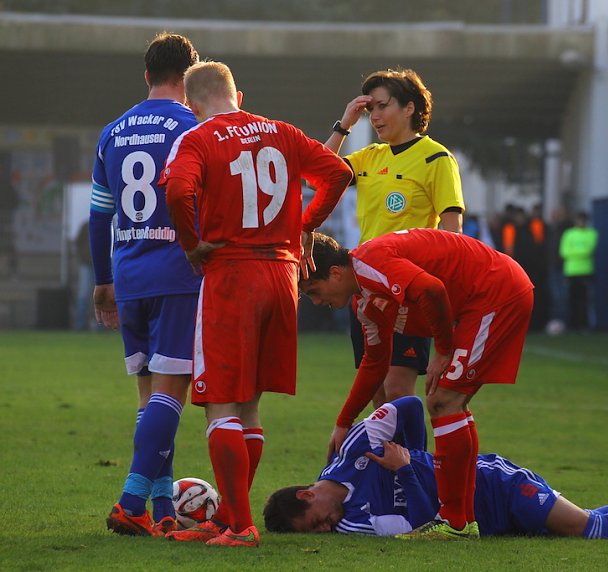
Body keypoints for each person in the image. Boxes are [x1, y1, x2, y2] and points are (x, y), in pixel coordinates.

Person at [159, 61, 352, 547]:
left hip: (233, 273)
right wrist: (306, 226)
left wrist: (189, 243)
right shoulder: (282, 132)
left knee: (221, 402)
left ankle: (240, 527)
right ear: (238, 95)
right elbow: (338, 172)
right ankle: (227, 516)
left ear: (190, 104)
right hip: (283, 276)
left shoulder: (198, 138)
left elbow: (180, 189)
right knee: (249, 406)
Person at [299, 229, 533, 540]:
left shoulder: (370, 262)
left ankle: (453, 522)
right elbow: (375, 364)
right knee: (449, 402)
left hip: (494, 290)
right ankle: (462, 520)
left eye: (314, 290)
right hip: (483, 297)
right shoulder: (365, 303)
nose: (316, 302)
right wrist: (343, 423)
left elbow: (431, 289)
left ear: (336, 273)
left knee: (442, 401)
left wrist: (444, 349)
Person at [263, 396, 608, 544]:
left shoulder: (355, 448)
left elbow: (410, 404)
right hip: (486, 522)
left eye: (317, 521)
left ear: (307, 494)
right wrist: (410, 468)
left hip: (493, 483)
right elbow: (422, 518)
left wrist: (413, 453)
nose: (328, 529)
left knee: (589, 529)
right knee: (581, 520)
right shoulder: (353, 523)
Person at [90, 32, 202, 537]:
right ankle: (132, 501)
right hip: (178, 273)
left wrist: (102, 280)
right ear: (190, 75)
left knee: (149, 398)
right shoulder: (194, 125)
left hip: (129, 273)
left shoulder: (113, 131)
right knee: (171, 392)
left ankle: (161, 508)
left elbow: (99, 215)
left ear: (146, 76)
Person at [323, 68, 466, 409]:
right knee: (378, 393)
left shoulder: (436, 158)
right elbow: (318, 174)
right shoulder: (370, 157)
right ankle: (390, 462)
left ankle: (409, 462)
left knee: (398, 389)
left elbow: (453, 232)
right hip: (367, 291)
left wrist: (441, 292)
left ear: (409, 108)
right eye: (370, 109)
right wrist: (344, 125)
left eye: (382, 106)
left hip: (407, 290)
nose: (374, 116)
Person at [559, 211, 598, 332]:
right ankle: (572, 326)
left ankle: (583, 326)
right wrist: (580, 252)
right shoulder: (569, 234)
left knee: (584, 301)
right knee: (571, 300)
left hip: (586, 271)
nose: (581, 222)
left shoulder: (592, 233)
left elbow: (589, 251)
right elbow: (564, 252)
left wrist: (574, 252)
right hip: (570, 272)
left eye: (583, 220)